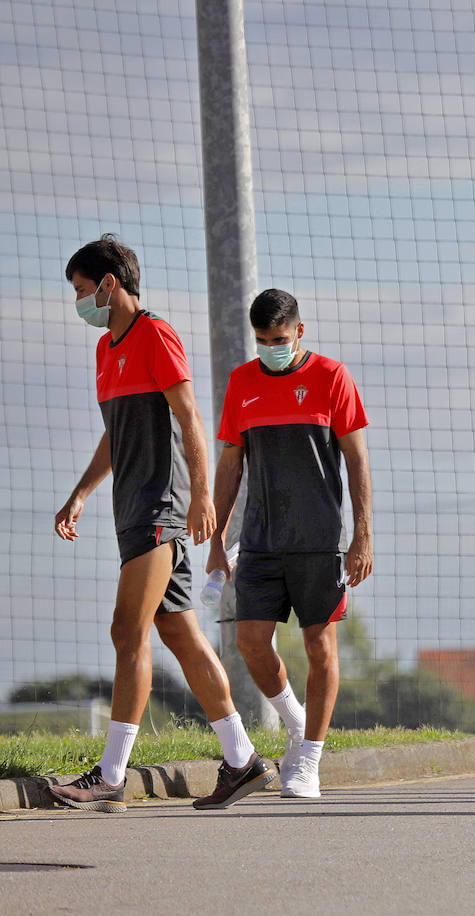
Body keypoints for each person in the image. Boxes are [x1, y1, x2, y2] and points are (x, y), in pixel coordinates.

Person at [51, 235, 271, 813]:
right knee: (179, 634)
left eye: (81, 290)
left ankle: (110, 775)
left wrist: (202, 497)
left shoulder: (156, 334)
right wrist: (79, 495)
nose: (78, 302)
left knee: (128, 632)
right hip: (132, 509)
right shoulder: (106, 350)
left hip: (160, 510)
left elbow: (190, 416)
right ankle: (243, 760)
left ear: (109, 284)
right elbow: (114, 435)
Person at [207, 289, 373, 800]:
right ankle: (297, 723)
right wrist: (217, 538)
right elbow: (231, 463)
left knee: (320, 646)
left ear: (299, 331)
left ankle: (309, 762)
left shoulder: (331, 377)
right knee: (249, 643)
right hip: (258, 541)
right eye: (261, 341)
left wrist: (362, 534)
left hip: (319, 540)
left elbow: (357, 460)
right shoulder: (242, 382)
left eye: (278, 339)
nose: (269, 348)